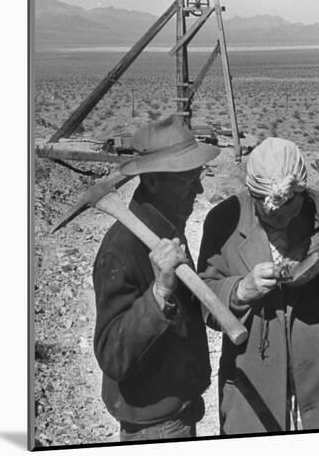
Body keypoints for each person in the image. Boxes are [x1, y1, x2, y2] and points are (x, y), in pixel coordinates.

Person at [198, 137, 319, 434]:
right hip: (251, 380)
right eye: (262, 204)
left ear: (301, 193)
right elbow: (203, 297)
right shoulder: (224, 220)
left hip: (318, 376)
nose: (273, 212)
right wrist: (240, 290)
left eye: (284, 204)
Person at [92, 114, 220, 441]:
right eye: (188, 179)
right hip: (154, 424)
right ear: (152, 181)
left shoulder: (166, 228)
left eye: (198, 175)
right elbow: (112, 356)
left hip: (178, 406)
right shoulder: (121, 250)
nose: (200, 188)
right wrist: (159, 293)